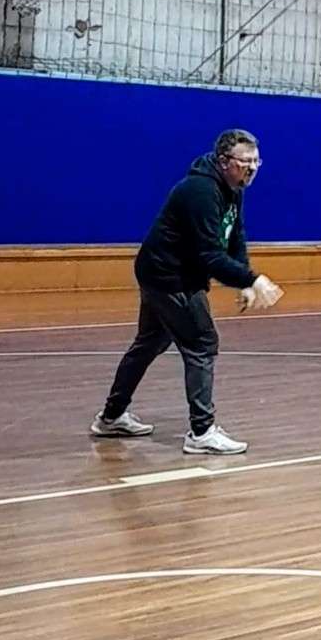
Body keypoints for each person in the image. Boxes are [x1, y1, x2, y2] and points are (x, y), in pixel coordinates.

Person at [90, 129, 283, 455]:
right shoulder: (200, 191)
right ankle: (202, 432)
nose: (251, 169)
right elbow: (209, 254)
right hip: (170, 277)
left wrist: (244, 279)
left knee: (150, 342)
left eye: (256, 162)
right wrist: (253, 279)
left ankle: (111, 417)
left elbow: (235, 235)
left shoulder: (233, 187)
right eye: (244, 162)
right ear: (224, 162)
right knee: (202, 343)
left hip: (162, 272)